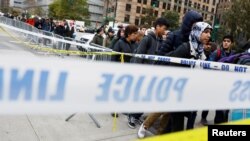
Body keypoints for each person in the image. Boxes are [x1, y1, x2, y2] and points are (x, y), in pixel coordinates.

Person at [163, 22, 212, 132]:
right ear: (196, 32)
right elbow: (172, 70)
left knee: (171, 126)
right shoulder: (185, 48)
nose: (209, 35)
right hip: (177, 96)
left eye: (210, 33)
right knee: (177, 128)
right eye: (206, 32)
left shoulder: (201, 51)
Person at [129, 17, 170, 130]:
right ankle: (131, 116)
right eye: (164, 28)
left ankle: (137, 115)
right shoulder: (147, 39)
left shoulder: (160, 40)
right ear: (157, 26)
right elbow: (139, 56)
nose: (165, 31)